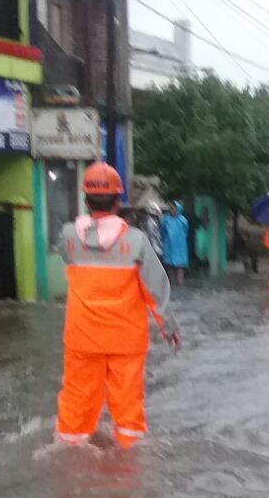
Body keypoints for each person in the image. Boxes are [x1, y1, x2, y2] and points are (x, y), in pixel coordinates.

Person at [55, 162, 181, 448]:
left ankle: (70, 456)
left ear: (86, 200)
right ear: (117, 201)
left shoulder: (68, 236)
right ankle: (128, 464)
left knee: (76, 402)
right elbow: (156, 290)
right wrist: (168, 327)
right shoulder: (136, 242)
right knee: (127, 407)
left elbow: (68, 256)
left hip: (81, 337)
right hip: (126, 340)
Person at [161, 200, 190, 285]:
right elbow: (163, 231)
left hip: (180, 245)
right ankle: (171, 283)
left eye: (174, 208)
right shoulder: (166, 220)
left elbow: (186, 232)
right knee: (169, 265)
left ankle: (180, 283)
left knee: (180, 266)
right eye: (171, 208)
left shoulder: (183, 220)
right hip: (169, 245)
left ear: (178, 209)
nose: (172, 210)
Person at [193, 213, 212, 278]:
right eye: (206, 222)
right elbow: (199, 246)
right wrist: (201, 257)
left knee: (204, 269)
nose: (207, 224)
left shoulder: (205, 231)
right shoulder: (200, 232)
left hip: (203, 256)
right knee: (202, 270)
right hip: (200, 257)